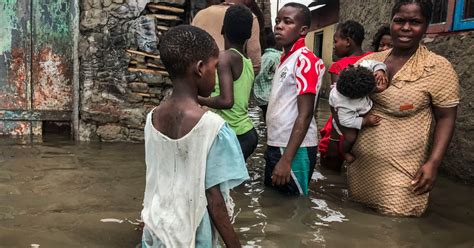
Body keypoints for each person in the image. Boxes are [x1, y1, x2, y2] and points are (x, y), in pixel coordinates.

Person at [348, 0, 460, 216]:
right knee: (356, 227)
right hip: (361, 167)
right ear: (391, 23)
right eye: (399, 21)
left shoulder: (437, 68)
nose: (406, 27)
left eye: (415, 22)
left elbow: (446, 118)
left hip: (403, 172)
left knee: (395, 227)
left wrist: (433, 163)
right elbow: (345, 102)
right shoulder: (370, 62)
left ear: (426, 26)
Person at [140, 25, 249, 248]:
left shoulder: (152, 119)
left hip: (156, 231)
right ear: (200, 68)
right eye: (215, 67)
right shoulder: (213, 128)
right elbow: (214, 199)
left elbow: (155, 181)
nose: (217, 74)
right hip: (193, 236)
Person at [264, 3, 325, 196]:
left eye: (287, 22)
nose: (278, 26)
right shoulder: (285, 60)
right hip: (278, 143)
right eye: (277, 21)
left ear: (303, 30)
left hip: (294, 149)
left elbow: (305, 114)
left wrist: (287, 159)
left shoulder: (305, 60)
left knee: (291, 206)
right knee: (274, 203)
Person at [198, 4, 258, 161]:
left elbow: (227, 101)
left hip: (234, 133)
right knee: (230, 184)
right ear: (249, 34)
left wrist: (196, 99)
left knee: (217, 183)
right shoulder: (247, 61)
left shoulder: (225, 58)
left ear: (223, 29)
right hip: (246, 133)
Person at [318, 20, 373, 171]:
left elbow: (338, 105)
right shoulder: (374, 59)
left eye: (336, 41)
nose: (334, 45)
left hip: (342, 126)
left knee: (329, 172)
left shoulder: (338, 66)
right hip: (368, 128)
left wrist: (334, 138)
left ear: (348, 41)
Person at [329, 60, 388, 163]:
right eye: (372, 90)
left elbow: (372, 63)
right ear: (357, 97)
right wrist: (364, 121)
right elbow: (345, 121)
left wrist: (379, 70)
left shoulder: (360, 69)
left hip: (352, 97)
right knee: (350, 137)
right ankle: (344, 152)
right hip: (341, 114)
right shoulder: (345, 104)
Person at [192, 0, 262, 74]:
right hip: (233, 81)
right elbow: (255, 65)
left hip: (198, 79)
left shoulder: (200, 15)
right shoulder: (248, 18)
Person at [253, 29, 282, 120]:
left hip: (263, 96)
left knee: (268, 119)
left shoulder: (264, 57)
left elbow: (259, 74)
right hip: (272, 96)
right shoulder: (278, 56)